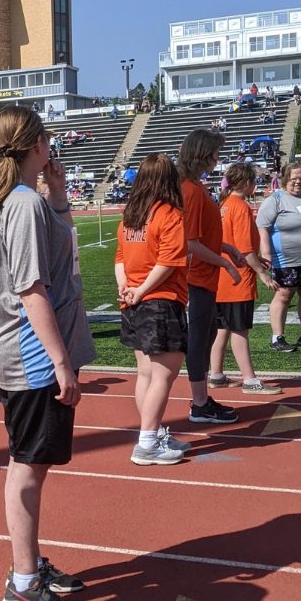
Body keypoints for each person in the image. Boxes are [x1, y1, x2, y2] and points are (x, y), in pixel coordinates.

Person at [0, 105, 95, 601]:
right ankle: (24, 581)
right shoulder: (22, 205)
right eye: (47, 139)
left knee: (31, 463)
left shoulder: (27, 200)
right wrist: (60, 363)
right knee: (28, 466)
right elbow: (31, 288)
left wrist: (61, 195)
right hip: (32, 353)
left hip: (33, 350)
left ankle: (28, 568)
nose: (52, 145)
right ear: (34, 146)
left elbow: (59, 254)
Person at [114, 154, 188, 466]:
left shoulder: (131, 215)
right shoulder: (169, 214)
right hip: (160, 299)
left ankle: (151, 432)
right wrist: (142, 290)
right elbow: (169, 261)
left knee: (146, 373)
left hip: (134, 300)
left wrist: (128, 289)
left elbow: (119, 257)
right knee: (163, 375)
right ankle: (147, 441)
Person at [178, 129, 245, 425]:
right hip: (196, 276)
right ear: (203, 154)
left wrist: (227, 248)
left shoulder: (195, 185)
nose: (218, 159)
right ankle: (200, 403)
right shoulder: (190, 190)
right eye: (216, 152)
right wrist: (226, 263)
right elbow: (190, 243)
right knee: (198, 340)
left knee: (204, 339)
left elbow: (203, 236)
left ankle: (202, 399)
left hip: (204, 275)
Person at [208, 163, 283, 394]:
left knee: (222, 329)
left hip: (221, 278)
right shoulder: (239, 207)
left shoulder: (223, 205)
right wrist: (261, 272)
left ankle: (216, 375)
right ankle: (250, 380)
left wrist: (258, 259)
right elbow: (244, 248)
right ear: (248, 183)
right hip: (237, 279)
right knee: (239, 330)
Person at [256, 162, 301, 352]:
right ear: (285, 179)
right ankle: (277, 337)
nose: (298, 182)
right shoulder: (275, 200)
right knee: (284, 294)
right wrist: (266, 254)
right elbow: (262, 227)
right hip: (285, 259)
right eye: (294, 178)